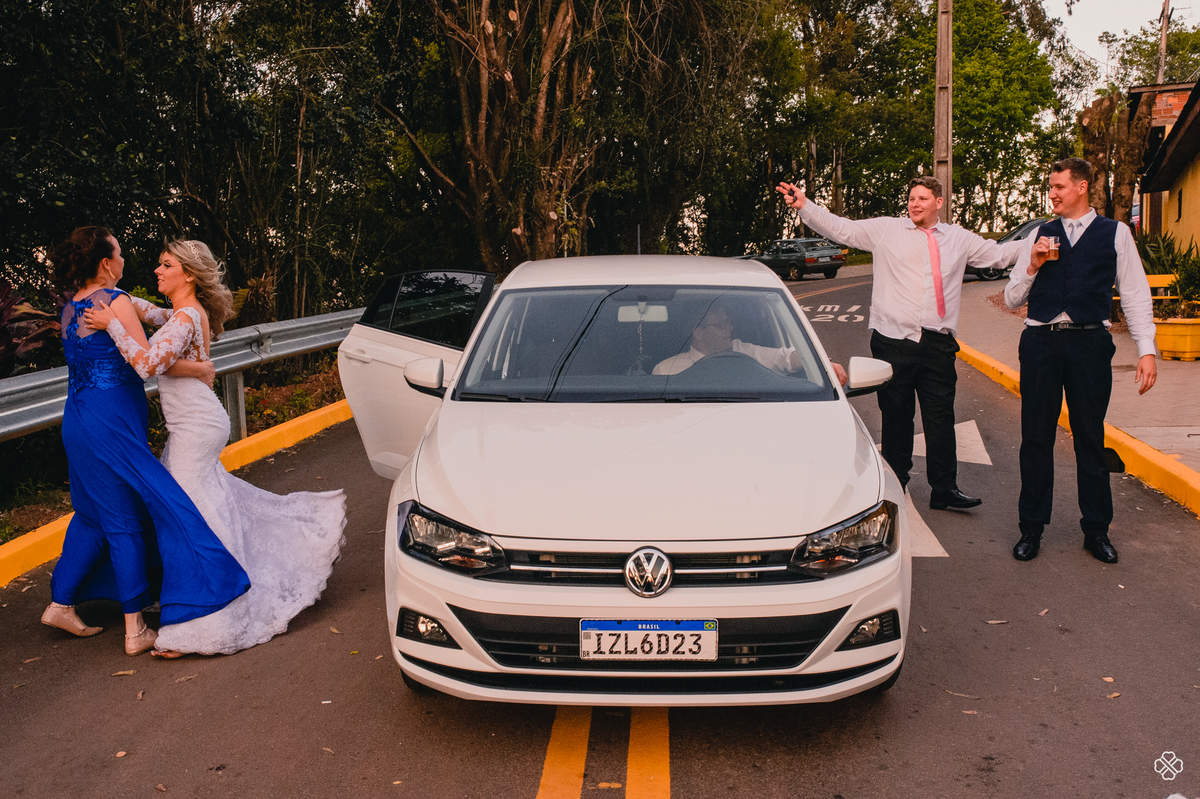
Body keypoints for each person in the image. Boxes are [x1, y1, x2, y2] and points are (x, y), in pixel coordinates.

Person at [84, 239, 347, 656]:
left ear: (187, 274)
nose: (157, 270)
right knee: (202, 505)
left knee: (192, 515)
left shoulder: (186, 316)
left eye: (165, 264)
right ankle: (241, 576)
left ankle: (210, 619)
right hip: (193, 423)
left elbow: (148, 364)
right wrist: (112, 295)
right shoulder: (182, 313)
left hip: (196, 426)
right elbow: (146, 311)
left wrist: (111, 324)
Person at [42, 227, 249, 655]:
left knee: (91, 515)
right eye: (119, 253)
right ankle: (139, 625)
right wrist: (198, 367)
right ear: (106, 263)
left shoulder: (71, 308)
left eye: (165, 264)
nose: (136, 263)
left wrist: (195, 364)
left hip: (76, 418)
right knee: (145, 512)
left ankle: (62, 601)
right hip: (112, 420)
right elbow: (146, 361)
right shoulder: (113, 303)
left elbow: (161, 333)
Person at [777, 177, 1022, 510]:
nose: (915, 203)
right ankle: (896, 483)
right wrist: (806, 205)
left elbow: (998, 255)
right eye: (911, 198)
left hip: (937, 344)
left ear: (939, 202)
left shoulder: (959, 239)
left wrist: (1039, 241)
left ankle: (944, 488)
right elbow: (843, 230)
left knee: (940, 418)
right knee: (895, 416)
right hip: (893, 344)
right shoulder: (887, 230)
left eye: (922, 198)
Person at [1003, 158, 1156, 563]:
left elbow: (1136, 293)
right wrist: (1033, 264)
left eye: (1058, 187)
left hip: (1090, 344)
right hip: (1040, 342)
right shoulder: (1039, 233)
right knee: (1036, 437)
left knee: (1090, 437)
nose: (1051, 193)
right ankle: (1031, 529)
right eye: (1049, 187)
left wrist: (1146, 349)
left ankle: (1096, 531)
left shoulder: (1115, 233)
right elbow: (1011, 298)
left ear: (1082, 187)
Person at [653, 302, 849, 385]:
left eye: (729, 322)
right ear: (698, 332)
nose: (729, 329)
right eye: (721, 325)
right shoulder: (666, 370)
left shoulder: (743, 351)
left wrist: (822, 363)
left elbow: (786, 358)